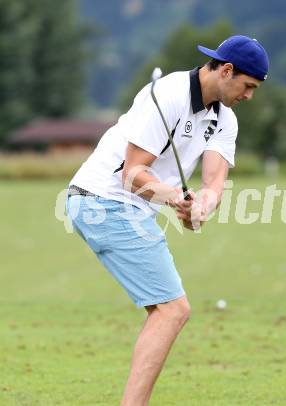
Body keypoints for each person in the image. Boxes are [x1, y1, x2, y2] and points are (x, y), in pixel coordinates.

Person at [65, 34, 269, 405]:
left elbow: (214, 182)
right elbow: (131, 174)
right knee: (172, 310)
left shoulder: (225, 120)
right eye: (248, 86)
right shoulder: (169, 94)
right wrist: (175, 197)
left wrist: (201, 206)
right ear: (226, 71)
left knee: (167, 309)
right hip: (101, 200)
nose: (249, 96)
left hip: (125, 207)